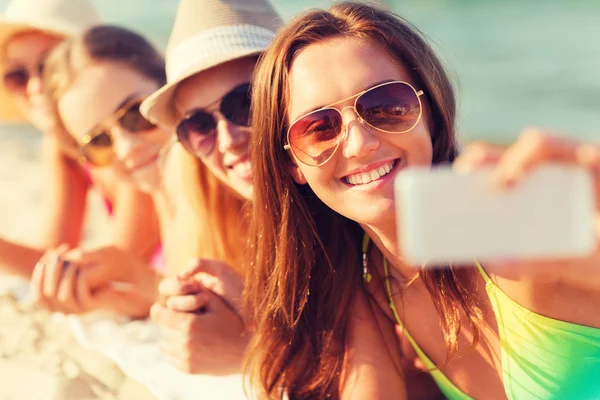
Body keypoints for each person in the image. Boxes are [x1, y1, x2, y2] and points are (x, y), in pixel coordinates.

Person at [245, 2, 600, 399]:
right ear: (292, 163)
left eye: (386, 106)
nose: (361, 143)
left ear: (429, 113)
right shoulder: (370, 281)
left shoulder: (513, 242)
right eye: (319, 128)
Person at [139, 0, 282, 374]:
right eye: (199, 125)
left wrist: (255, 356)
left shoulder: (359, 211)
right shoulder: (226, 228)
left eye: (246, 103)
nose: (227, 139)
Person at [0, 0, 160, 291]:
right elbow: (54, 256)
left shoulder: (131, 144)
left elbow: (122, 265)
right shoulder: (60, 147)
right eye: (17, 76)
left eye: (48, 66)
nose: (35, 86)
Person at [23, 24, 171, 318]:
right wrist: (112, 299)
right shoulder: (159, 184)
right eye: (98, 141)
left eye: (135, 114)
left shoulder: (211, 175)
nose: (126, 146)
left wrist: (132, 277)